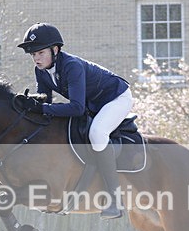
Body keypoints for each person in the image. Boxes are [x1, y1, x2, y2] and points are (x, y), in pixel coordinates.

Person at [16, 22, 131, 219]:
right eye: (33, 54)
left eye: (40, 53)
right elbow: (45, 103)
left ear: (55, 49)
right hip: (92, 104)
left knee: (97, 133)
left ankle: (115, 200)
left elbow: (76, 108)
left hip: (115, 98)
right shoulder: (41, 71)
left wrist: (41, 107)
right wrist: (26, 105)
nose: (36, 58)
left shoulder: (72, 66)